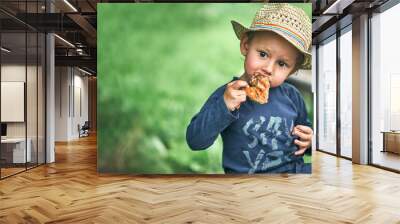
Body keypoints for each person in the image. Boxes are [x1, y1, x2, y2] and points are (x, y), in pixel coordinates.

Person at [186, 3, 313, 174]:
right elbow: (195, 141)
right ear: (245, 45)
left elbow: (304, 140)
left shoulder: (292, 96)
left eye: (282, 64)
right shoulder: (227, 95)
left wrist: (312, 141)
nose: (269, 68)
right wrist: (224, 106)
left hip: (292, 175)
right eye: (263, 54)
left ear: (293, 71)